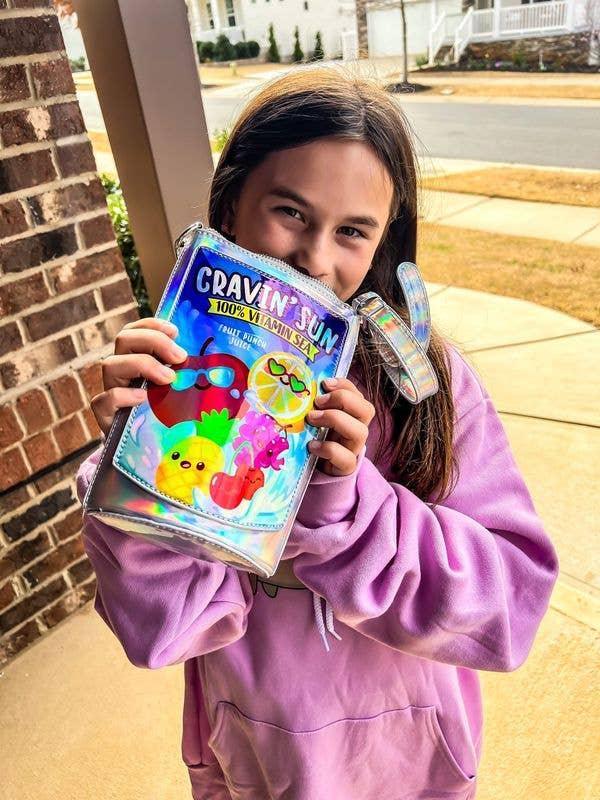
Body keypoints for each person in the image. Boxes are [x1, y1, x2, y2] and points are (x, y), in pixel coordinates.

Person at [77, 67, 559, 800]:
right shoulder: (184, 377)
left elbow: (509, 609)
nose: (316, 258)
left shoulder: (431, 390)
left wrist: (351, 514)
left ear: (383, 244)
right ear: (233, 204)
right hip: (254, 765)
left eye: (353, 231)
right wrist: (138, 469)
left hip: (411, 768)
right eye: (291, 213)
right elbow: (161, 631)